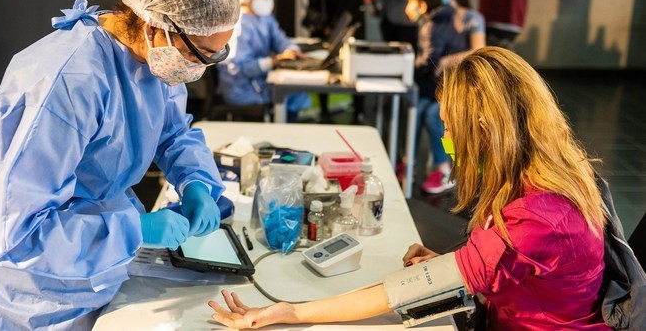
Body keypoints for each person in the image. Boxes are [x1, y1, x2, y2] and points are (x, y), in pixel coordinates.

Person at [209, 47, 610, 330]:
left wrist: (291, 312)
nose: (446, 139)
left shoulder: (540, 217)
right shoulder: (548, 171)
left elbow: (400, 292)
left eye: (450, 129)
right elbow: (520, 267)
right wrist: (462, 264)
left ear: (485, 132)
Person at [0, 0, 239, 329]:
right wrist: (134, 230)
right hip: (43, 290)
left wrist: (196, 181)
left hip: (100, 255)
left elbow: (172, 132)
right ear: (154, 24)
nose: (200, 69)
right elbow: (18, 235)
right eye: (200, 53)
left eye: (216, 54)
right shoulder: (69, 83)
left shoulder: (155, 58)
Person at [218, 0, 311, 122]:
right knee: (292, 93)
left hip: (259, 82)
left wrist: (291, 50)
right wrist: (273, 61)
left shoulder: (265, 19)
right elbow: (237, 68)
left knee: (297, 90)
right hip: (242, 90)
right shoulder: (239, 25)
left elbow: (280, 39)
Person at [406, 0, 470, 193]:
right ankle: (409, 163)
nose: (408, 8)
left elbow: (431, 59)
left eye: (411, 3)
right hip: (441, 85)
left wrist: (411, 69)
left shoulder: (434, 24)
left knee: (434, 115)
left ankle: (445, 170)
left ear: (422, 5)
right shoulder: (443, 17)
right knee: (417, 110)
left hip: (451, 87)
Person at [432, 0, 486, 71]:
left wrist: (448, 61)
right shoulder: (438, 17)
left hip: (463, 73)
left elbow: (479, 51)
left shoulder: (473, 18)